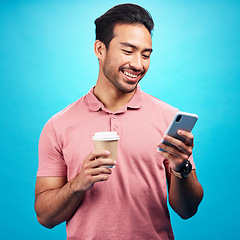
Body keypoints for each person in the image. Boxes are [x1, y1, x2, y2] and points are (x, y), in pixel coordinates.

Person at [35, 3, 203, 240]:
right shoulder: (58, 125)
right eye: (128, 51)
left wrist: (180, 169)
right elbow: (44, 217)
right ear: (100, 49)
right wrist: (78, 183)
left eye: (146, 55)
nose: (138, 64)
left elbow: (187, 211)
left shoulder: (168, 118)